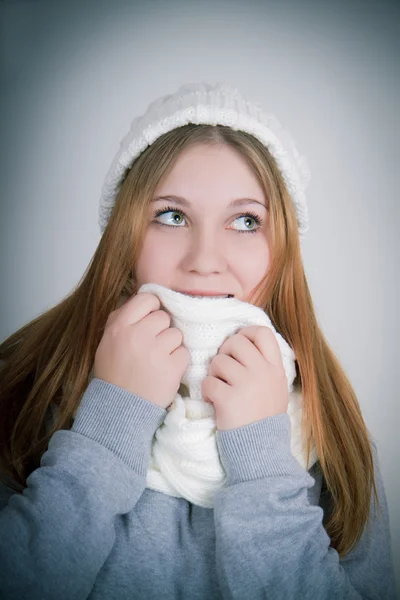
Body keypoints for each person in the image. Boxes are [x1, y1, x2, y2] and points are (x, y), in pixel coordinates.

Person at [0, 81, 397, 599]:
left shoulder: (333, 431)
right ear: (125, 237)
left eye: (245, 221)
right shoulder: (22, 389)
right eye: (172, 215)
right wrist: (112, 421)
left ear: (281, 252)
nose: (205, 260)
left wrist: (260, 461)